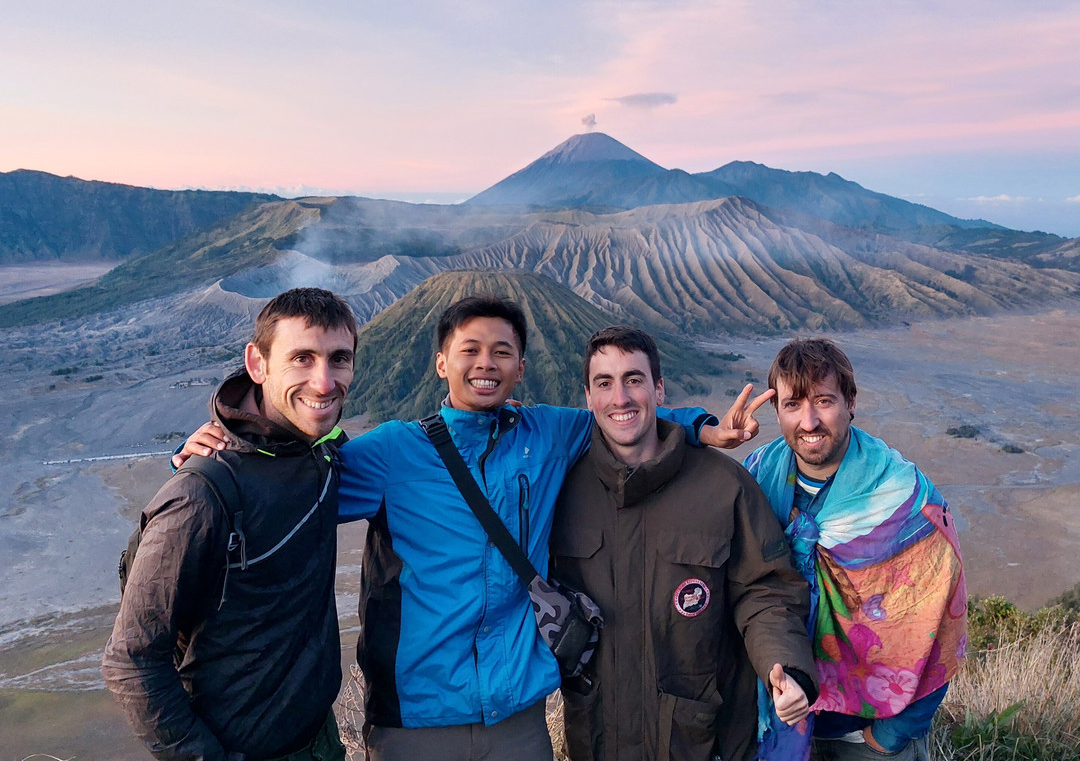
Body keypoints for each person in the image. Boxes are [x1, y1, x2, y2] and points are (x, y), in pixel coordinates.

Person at [177, 295, 769, 761]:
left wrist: (701, 426)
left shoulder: (549, 433)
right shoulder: (393, 452)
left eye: (502, 351)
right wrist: (222, 452)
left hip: (517, 719)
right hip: (417, 722)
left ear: (521, 369)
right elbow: (297, 485)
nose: (486, 363)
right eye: (470, 349)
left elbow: (625, 411)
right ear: (441, 363)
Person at [102, 287, 357, 761]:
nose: (323, 382)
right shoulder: (202, 493)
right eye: (301, 358)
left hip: (318, 741)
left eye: (338, 359)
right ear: (257, 364)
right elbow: (131, 660)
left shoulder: (323, 452)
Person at [550, 325, 818, 761]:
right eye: (605, 383)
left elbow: (767, 591)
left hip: (703, 741)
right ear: (588, 397)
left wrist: (786, 669)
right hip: (596, 737)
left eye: (634, 380)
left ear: (659, 389)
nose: (620, 398)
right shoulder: (561, 488)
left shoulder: (723, 485)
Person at [744, 338, 967, 761]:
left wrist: (889, 738)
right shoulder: (755, 478)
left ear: (851, 402)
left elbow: (941, 621)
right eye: (793, 405)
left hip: (867, 731)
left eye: (824, 401)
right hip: (780, 720)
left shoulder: (905, 498)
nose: (809, 421)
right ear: (778, 412)